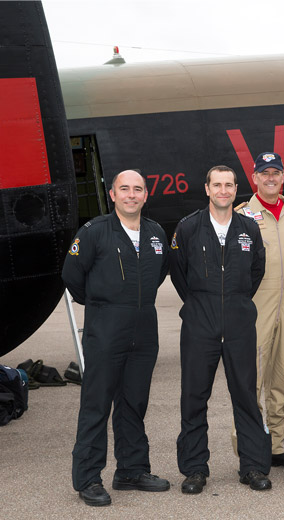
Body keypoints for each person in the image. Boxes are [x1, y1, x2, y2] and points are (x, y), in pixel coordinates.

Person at [62, 169, 170, 507]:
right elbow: (72, 275)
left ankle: (131, 470)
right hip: (106, 329)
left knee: (134, 402)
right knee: (97, 405)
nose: (131, 195)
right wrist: (101, 305)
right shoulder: (94, 232)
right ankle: (88, 478)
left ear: (146, 195)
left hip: (144, 330)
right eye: (125, 189)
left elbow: (162, 270)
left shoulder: (155, 233)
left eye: (138, 189)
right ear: (113, 194)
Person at [170, 165, 271, 494]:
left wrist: (235, 302)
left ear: (236, 188)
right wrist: (202, 304)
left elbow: (257, 269)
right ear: (207, 188)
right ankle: (195, 469)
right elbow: (178, 273)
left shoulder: (248, 228)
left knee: (245, 394)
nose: (223, 190)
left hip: (240, 321)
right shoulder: (188, 228)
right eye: (217, 184)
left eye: (229, 185)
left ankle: (253, 466)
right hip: (201, 321)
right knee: (194, 396)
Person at [231, 152, 284, 471]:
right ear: (255, 178)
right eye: (265, 173)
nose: (271, 178)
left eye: (276, 172)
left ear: (283, 177)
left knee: (280, 382)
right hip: (254, 312)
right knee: (251, 383)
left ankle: (278, 445)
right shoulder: (241, 215)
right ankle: (249, 450)